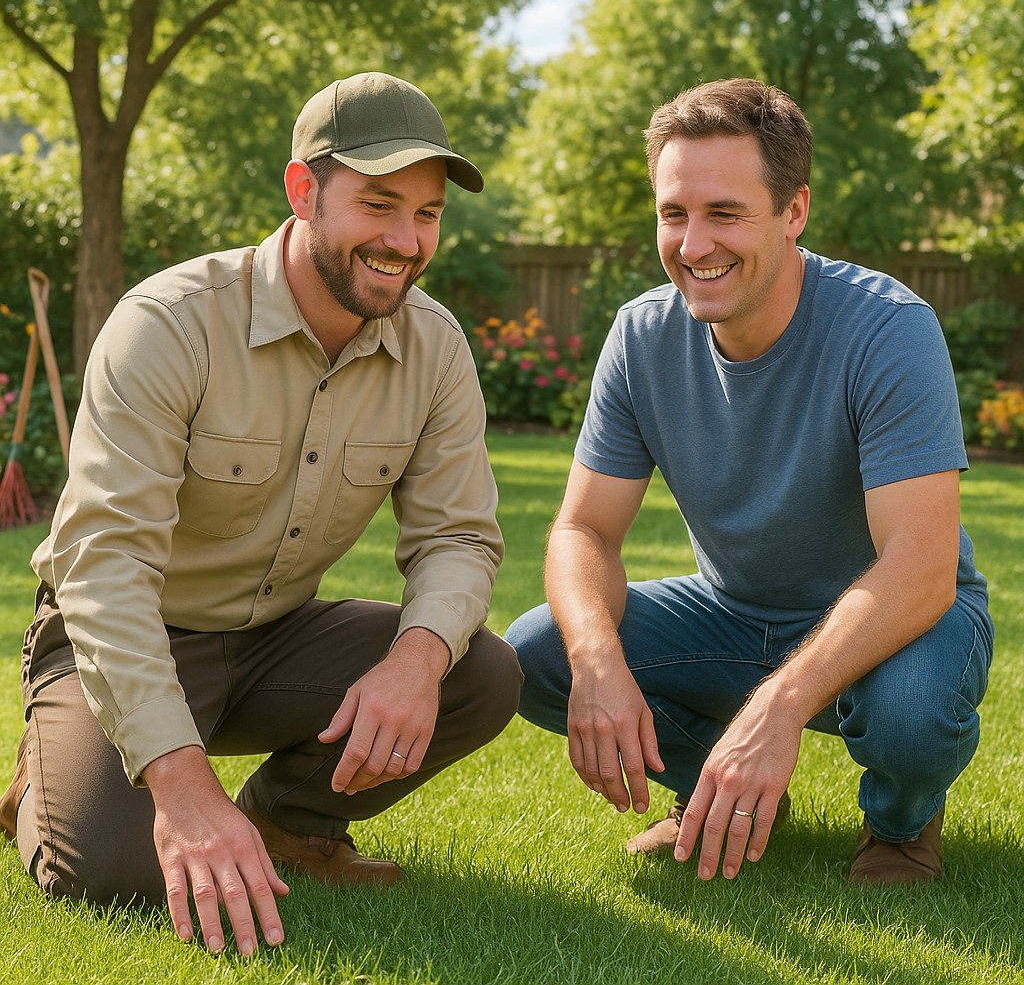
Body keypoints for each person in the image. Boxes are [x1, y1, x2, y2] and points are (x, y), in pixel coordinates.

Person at [0, 71, 522, 956]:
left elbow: (458, 537)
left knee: (480, 674)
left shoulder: (435, 348)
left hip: (275, 637)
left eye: (427, 214)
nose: (405, 240)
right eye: (379, 204)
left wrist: (416, 659)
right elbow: (105, 567)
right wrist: (181, 784)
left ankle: (289, 823)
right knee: (118, 876)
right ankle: (48, 774)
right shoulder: (168, 326)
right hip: (126, 635)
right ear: (303, 190)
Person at [505, 78, 993, 888]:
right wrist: (596, 661)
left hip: (901, 616)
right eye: (674, 214)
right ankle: (719, 791)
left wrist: (779, 707)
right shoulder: (641, 336)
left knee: (909, 716)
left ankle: (902, 827)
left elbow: (921, 563)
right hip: (731, 613)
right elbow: (582, 532)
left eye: (725, 213)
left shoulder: (888, 328)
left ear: (794, 211)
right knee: (536, 651)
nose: (693, 244)